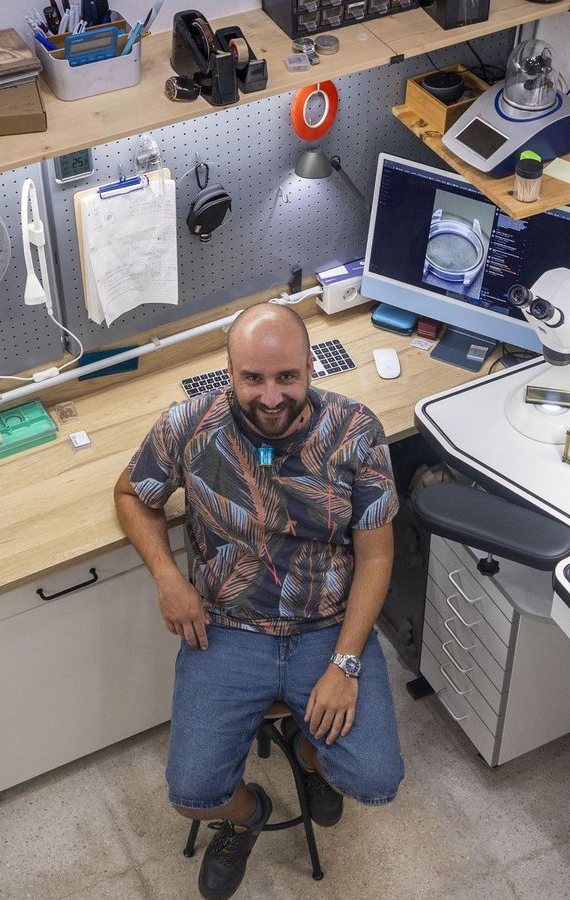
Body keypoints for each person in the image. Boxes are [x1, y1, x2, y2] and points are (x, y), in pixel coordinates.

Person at [114, 302, 404, 900]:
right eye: (253, 379)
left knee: (376, 782)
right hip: (228, 626)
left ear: (309, 368)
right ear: (228, 371)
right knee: (191, 795)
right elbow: (131, 493)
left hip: (327, 626)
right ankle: (248, 815)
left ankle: (306, 747)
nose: (271, 397)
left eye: (286, 377)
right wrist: (169, 579)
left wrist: (346, 663)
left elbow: (376, 558)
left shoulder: (355, 431)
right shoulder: (190, 425)